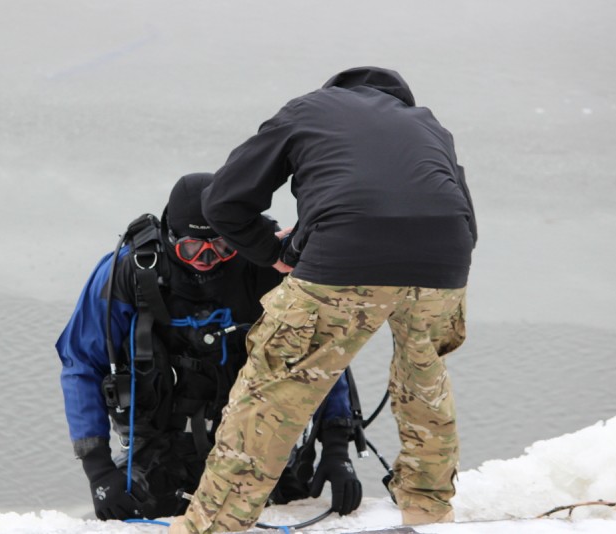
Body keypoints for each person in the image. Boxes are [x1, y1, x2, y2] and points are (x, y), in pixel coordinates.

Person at [170, 67, 477, 533]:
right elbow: (467, 221)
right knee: (425, 381)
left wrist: (274, 253)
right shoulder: (428, 124)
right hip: (444, 261)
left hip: (344, 257)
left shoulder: (309, 109)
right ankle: (429, 509)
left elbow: (224, 201)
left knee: (273, 391)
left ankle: (212, 526)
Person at [57, 173, 364, 522]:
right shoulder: (132, 271)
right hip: (159, 444)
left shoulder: (268, 266)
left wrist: (337, 450)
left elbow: (321, 357)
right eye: (193, 248)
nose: (207, 259)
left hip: (257, 440)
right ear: (169, 234)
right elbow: (80, 363)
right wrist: (97, 469)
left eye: (222, 247)